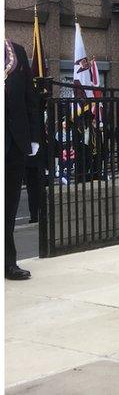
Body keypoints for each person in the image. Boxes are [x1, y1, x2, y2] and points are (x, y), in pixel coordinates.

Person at [5, 38, 40, 280]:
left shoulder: (15, 51)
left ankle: (8, 262)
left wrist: (34, 136)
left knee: (8, 206)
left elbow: (30, 97)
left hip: (14, 143)